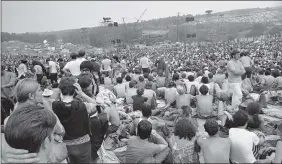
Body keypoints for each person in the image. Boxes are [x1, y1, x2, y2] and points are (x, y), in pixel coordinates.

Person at [52, 77, 95, 163]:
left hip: (64, 144)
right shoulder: (83, 105)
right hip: (83, 143)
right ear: (75, 90)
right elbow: (94, 103)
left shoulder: (53, 106)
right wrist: (82, 94)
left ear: (60, 90)